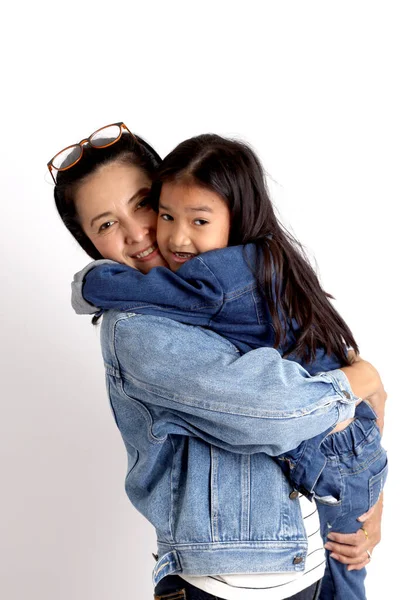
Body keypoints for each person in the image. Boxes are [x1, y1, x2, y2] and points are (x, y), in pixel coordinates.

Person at [50, 123, 385, 600]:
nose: (140, 232)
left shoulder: (240, 280)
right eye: (105, 224)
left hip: (309, 563)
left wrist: (368, 505)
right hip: (230, 584)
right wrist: (359, 379)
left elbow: (329, 368)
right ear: (90, 244)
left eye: (144, 204)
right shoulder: (136, 329)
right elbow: (280, 410)